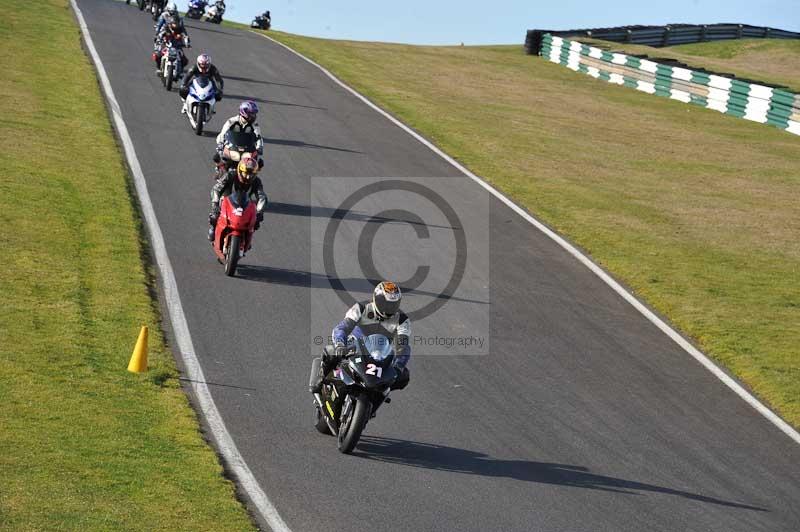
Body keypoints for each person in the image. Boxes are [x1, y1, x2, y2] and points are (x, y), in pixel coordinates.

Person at [310, 281, 411, 393]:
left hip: (380, 355)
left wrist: (399, 365)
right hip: (354, 347)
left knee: (403, 376)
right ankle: (321, 377)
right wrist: (340, 345)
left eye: (393, 305)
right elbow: (342, 328)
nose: (389, 309)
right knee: (331, 352)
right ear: (376, 299)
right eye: (385, 303)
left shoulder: (402, 320)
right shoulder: (362, 308)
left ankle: (379, 395)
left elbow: (403, 345)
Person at [208, 154, 268, 242]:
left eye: (251, 174)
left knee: (255, 223)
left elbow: (262, 196)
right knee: (214, 217)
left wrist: (259, 212)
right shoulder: (230, 175)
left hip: (244, 205)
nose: (248, 177)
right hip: (226, 203)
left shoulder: (256, 181)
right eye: (245, 173)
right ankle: (213, 229)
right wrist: (215, 204)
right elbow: (216, 189)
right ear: (240, 170)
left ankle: (247, 239)